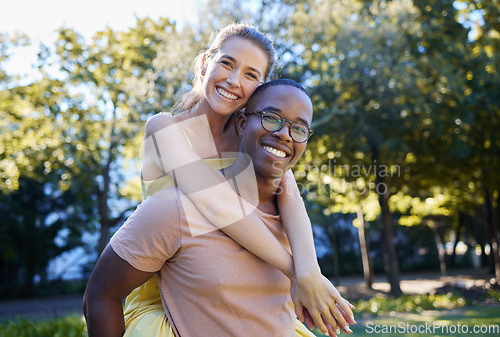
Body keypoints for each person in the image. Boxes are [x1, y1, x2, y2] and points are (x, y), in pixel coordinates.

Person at [98, 23, 354, 336]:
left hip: (238, 284)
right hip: (171, 286)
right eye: (227, 63)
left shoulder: (251, 133)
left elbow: (290, 196)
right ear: (205, 62)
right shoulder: (165, 128)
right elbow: (217, 205)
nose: (234, 81)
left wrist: (310, 271)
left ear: (261, 87)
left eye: (251, 74)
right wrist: (295, 272)